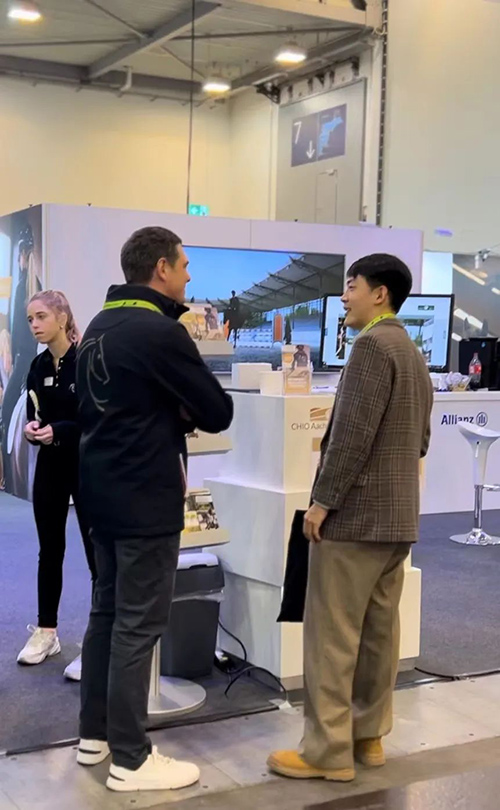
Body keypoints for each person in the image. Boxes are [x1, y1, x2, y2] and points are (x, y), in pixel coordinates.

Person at [76, 226, 234, 792]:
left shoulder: (99, 324)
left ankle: (94, 738)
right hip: (146, 496)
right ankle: (131, 759)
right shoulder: (161, 332)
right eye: (184, 265)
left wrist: (166, 409)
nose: (189, 275)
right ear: (162, 268)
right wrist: (177, 410)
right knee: (138, 625)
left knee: (106, 615)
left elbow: (114, 406)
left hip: (99, 493)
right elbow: (217, 411)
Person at [268, 254, 433, 782]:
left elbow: (350, 437)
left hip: (355, 519)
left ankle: (327, 752)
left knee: (333, 638)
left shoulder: (369, 347)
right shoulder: (411, 351)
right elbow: (421, 440)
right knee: (380, 634)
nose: (343, 296)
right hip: (398, 520)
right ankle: (368, 737)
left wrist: (323, 502)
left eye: (352, 285)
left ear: (379, 294)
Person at [17, 291, 97, 681]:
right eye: (30, 319)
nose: (34, 324)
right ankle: (47, 632)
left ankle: (98, 641)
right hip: (50, 465)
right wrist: (32, 429)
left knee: (97, 555)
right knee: (49, 550)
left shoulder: (87, 361)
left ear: (63, 318)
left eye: (41, 316)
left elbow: (95, 418)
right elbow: (36, 413)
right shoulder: (37, 366)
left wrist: (59, 431)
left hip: (86, 466)